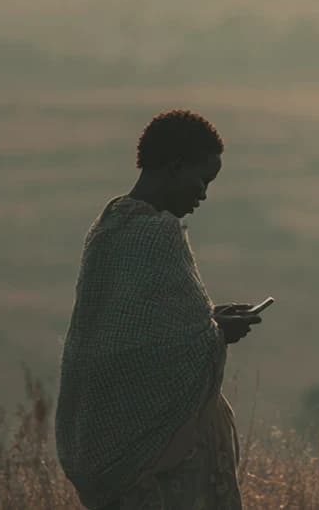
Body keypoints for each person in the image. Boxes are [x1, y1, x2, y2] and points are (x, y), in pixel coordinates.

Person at [55, 109, 262, 509]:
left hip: (109, 434)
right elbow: (140, 346)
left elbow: (147, 331)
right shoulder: (157, 236)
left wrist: (210, 321)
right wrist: (218, 333)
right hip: (156, 459)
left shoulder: (109, 227)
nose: (203, 193)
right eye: (202, 179)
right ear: (175, 166)